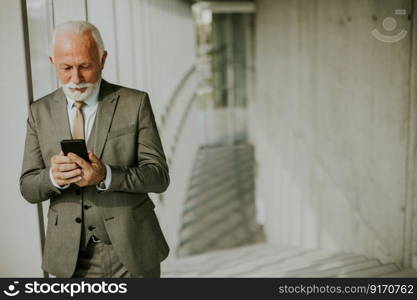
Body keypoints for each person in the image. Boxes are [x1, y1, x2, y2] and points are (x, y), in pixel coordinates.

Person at [19, 20, 170, 278]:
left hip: (133, 250)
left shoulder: (135, 103)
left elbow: (158, 177)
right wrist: (54, 177)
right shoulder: (39, 112)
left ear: (103, 59)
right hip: (69, 258)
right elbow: (28, 187)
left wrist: (106, 175)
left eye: (85, 66)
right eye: (66, 68)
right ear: (52, 61)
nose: (76, 79)